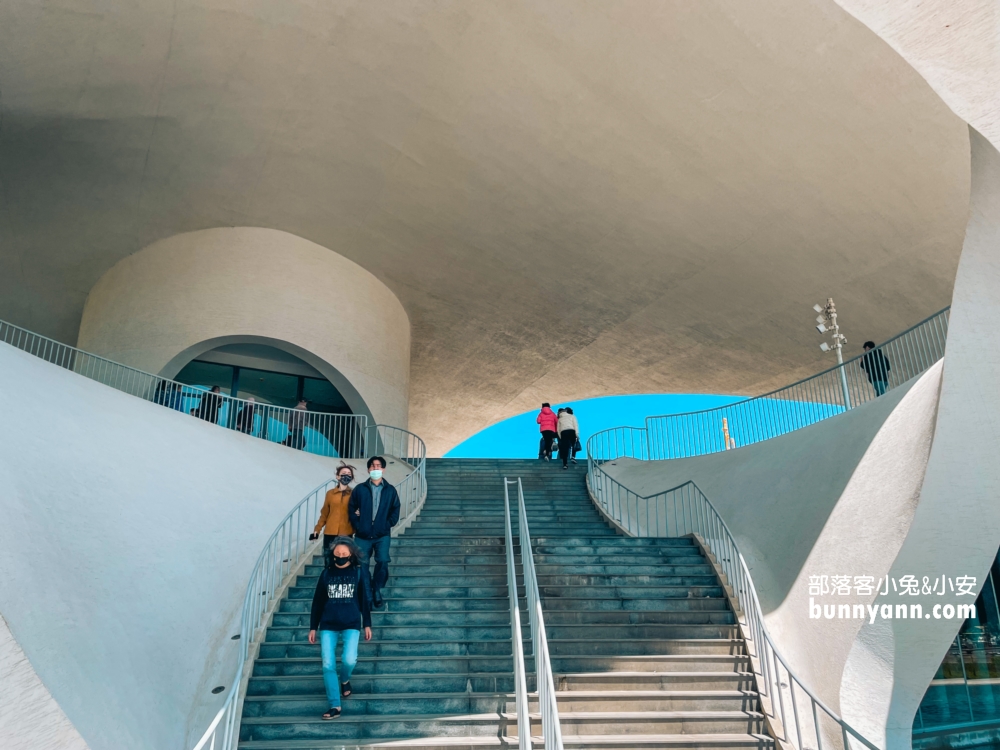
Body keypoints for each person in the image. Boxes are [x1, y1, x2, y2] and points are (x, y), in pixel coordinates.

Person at [308, 536, 372, 720]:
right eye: (338, 553)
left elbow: (364, 600)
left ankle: (345, 679)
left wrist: (367, 623)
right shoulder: (326, 574)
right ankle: (335, 705)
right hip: (328, 625)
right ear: (332, 554)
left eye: (345, 553)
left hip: (351, 624)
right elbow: (317, 602)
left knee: (349, 659)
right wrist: (313, 626)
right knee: (328, 664)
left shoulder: (358, 573)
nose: (341, 556)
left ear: (351, 555)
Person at [348, 457, 401, 609]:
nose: (375, 468)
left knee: (383, 561)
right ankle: (368, 595)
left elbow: (395, 509)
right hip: (362, 535)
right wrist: (358, 525)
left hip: (381, 535)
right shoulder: (360, 489)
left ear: (383, 469)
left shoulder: (390, 490)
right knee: (361, 564)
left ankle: (376, 588)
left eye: (378, 466)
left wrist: (387, 525)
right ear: (368, 469)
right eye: (372, 466)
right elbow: (352, 509)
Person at [310, 463, 357, 559]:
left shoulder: (354, 494)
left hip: (347, 533)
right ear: (337, 476)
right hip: (330, 532)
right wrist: (317, 530)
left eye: (349, 474)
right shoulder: (330, 494)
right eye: (344, 473)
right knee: (329, 559)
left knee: (345, 560)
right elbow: (324, 514)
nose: (346, 476)